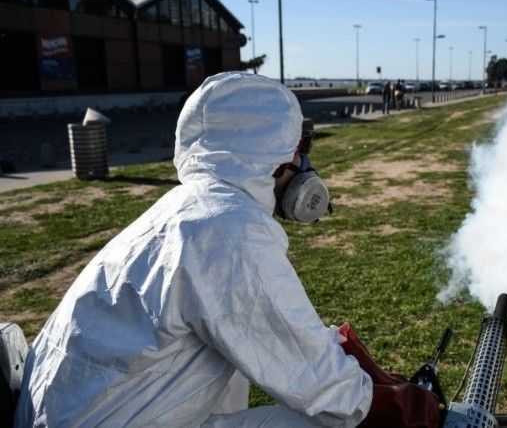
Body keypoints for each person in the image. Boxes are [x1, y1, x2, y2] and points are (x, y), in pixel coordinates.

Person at [14, 72, 439, 427]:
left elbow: (258, 328)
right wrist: (410, 409)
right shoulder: (227, 230)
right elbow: (321, 386)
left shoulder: (190, 209)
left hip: (81, 415)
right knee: (327, 422)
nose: (302, 160)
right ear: (271, 153)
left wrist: (356, 362)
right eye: (300, 145)